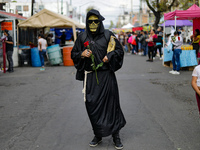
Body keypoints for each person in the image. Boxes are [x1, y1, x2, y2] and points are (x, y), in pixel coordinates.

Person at [71, 9, 126, 150]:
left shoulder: (108, 35)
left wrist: (111, 56)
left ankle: (116, 136)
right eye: (90, 21)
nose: (93, 24)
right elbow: (74, 54)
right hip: (90, 77)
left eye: (96, 21)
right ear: (87, 22)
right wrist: (82, 54)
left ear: (100, 21)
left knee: (111, 106)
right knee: (92, 106)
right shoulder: (82, 37)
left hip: (106, 76)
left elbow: (119, 51)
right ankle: (98, 134)